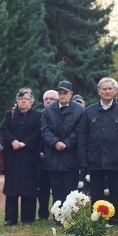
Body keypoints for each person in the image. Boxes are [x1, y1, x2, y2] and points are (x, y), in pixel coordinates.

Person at [78, 78, 118, 225]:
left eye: (110, 89)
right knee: (96, 192)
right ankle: (97, 218)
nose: (107, 91)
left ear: (115, 91)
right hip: (95, 157)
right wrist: (83, 159)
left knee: (116, 191)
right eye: (104, 89)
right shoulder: (89, 111)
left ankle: (116, 219)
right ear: (99, 91)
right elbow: (83, 136)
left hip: (116, 158)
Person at [0, 88, 42, 225]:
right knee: (12, 188)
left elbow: (39, 133)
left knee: (29, 188)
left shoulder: (37, 116)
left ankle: (28, 217)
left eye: (26, 99)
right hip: (13, 156)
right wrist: (13, 141)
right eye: (21, 99)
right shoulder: (9, 115)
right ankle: (10, 218)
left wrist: (25, 143)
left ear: (32, 101)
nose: (23, 102)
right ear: (17, 101)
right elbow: (3, 130)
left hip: (30, 156)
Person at [41, 80, 85, 210]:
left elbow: (80, 130)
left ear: (71, 94)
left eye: (65, 93)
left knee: (70, 188)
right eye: (59, 93)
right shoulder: (48, 110)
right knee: (56, 188)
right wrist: (55, 142)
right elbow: (44, 129)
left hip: (70, 156)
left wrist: (66, 143)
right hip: (53, 156)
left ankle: (69, 214)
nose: (62, 96)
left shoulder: (79, 111)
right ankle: (58, 215)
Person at [37, 90, 58, 220]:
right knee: (42, 189)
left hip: (56, 156)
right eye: (46, 99)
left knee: (56, 188)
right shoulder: (38, 116)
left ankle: (58, 213)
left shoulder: (58, 115)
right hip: (41, 158)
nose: (49, 101)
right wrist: (38, 152)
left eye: (52, 99)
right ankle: (42, 213)